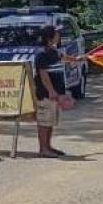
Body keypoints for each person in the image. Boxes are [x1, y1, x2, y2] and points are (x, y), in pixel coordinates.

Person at [33, 24, 70, 158]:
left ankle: (48, 146)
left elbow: (66, 59)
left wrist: (79, 58)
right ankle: (43, 149)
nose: (58, 35)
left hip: (55, 94)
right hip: (46, 94)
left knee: (51, 121)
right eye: (56, 33)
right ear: (50, 37)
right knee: (44, 121)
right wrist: (51, 90)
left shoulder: (54, 52)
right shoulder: (42, 54)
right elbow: (43, 74)